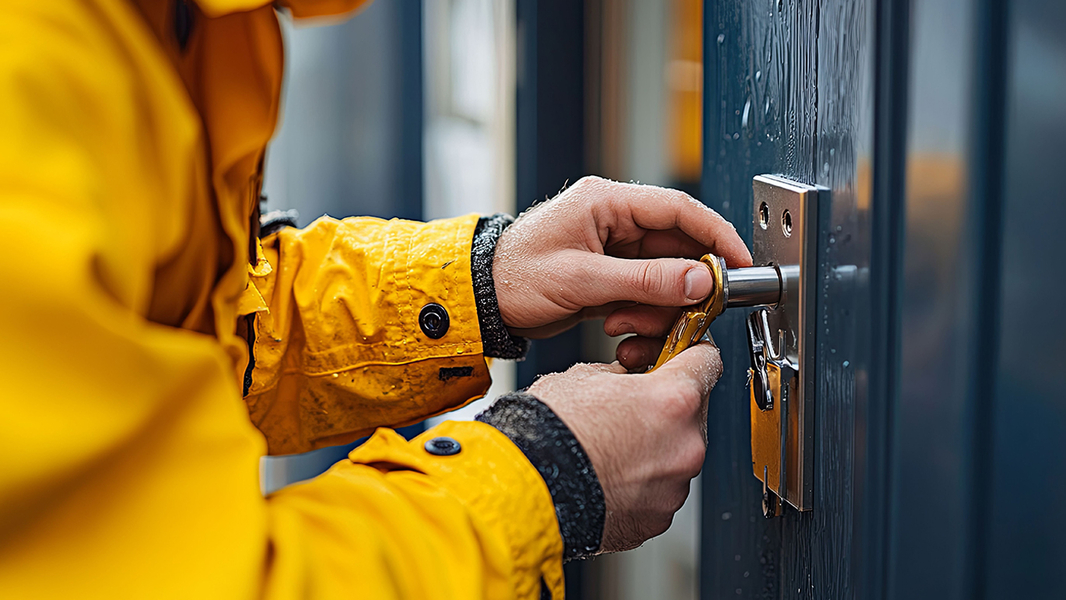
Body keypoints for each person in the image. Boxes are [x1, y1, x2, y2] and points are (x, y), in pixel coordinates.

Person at [0, 0, 751, 598]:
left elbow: (178, 332)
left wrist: (479, 283)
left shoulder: (154, 28)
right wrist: (548, 477)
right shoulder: (36, 56)